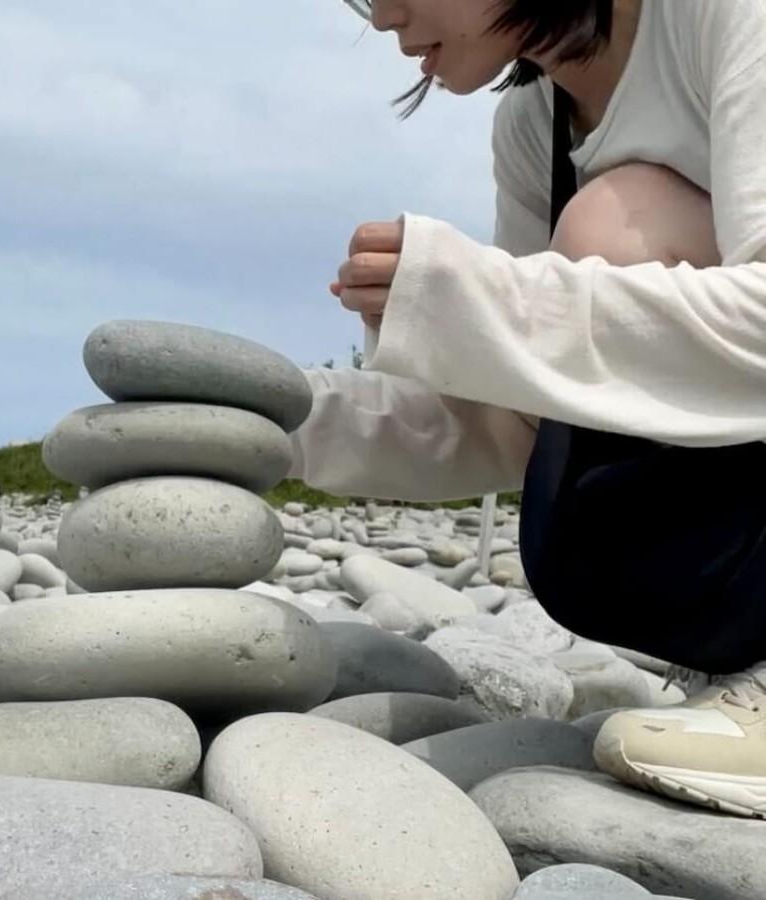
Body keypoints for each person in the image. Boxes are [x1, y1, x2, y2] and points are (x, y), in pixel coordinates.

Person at [288, 0, 766, 818]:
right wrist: (284, 422)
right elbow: (523, 415)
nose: (383, 16)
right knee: (575, 496)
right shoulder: (531, 123)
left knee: (615, 227)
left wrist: (478, 303)